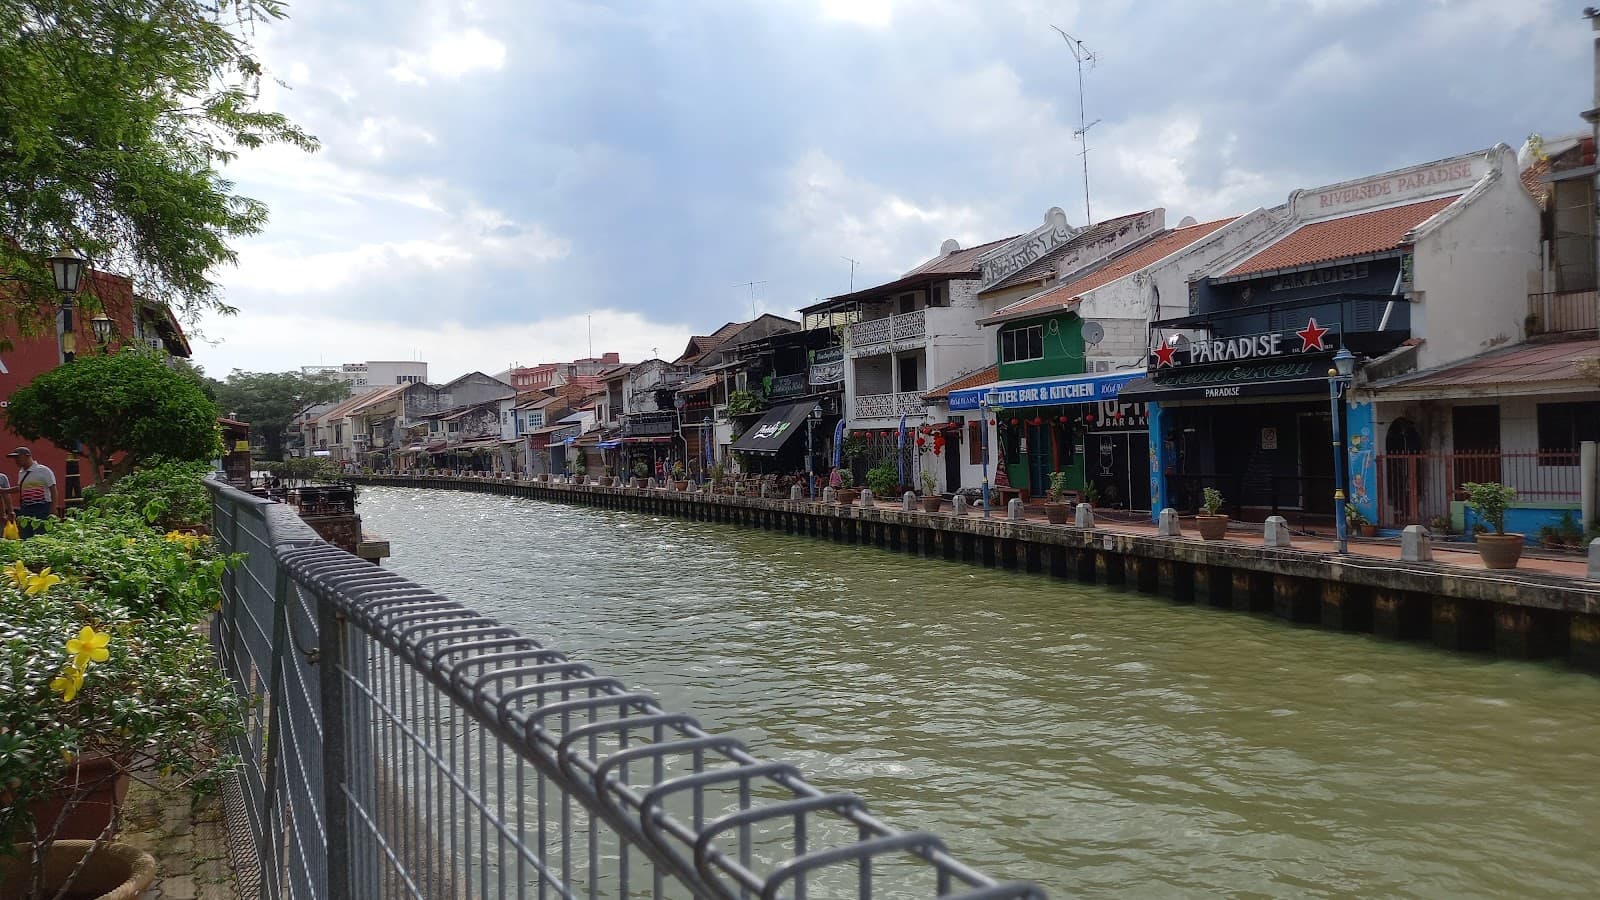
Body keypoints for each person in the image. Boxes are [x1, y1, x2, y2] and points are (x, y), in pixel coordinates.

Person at [6, 448, 57, 538]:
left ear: (27, 456)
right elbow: (21, 488)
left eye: (18, 457)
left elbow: (53, 490)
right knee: (25, 535)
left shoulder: (43, 470)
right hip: (26, 509)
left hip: (42, 508)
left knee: (41, 535)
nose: (16, 460)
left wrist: (53, 510)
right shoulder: (21, 472)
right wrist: (4, 490)